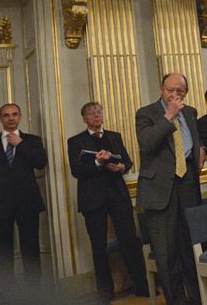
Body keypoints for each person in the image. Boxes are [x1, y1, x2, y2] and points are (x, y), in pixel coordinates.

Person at [67, 102, 149, 301]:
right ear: (84, 118)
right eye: (91, 113)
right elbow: (76, 171)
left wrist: (121, 167)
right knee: (98, 246)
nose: (96, 115)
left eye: (98, 112)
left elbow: (127, 161)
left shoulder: (114, 136)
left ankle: (142, 285)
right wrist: (98, 162)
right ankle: (105, 292)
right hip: (93, 199)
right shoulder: (75, 141)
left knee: (130, 240)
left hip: (117, 195)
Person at [135, 73, 202, 305]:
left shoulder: (191, 112)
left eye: (180, 91)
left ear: (186, 92)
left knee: (190, 250)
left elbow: (193, 143)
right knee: (167, 254)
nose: (174, 95)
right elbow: (147, 143)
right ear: (161, 90)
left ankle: (196, 298)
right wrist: (169, 116)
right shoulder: (146, 113)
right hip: (159, 191)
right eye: (169, 90)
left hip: (187, 186)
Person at [0, 104, 47, 283]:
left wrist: (20, 145)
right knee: (3, 254)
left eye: (14, 114)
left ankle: (34, 295)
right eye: (6, 115)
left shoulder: (32, 141)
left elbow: (40, 162)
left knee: (31, 251)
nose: (11, 118)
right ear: (0, 119)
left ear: (20, 117)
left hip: (27, 203)